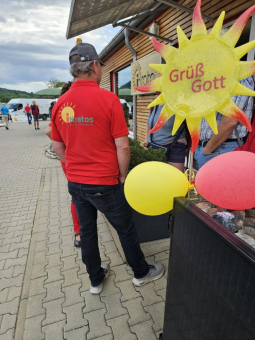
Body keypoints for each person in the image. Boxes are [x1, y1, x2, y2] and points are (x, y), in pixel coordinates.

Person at [51, 42, 164, 294]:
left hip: (76, 183)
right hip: (105, 182)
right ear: (94, 66)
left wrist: (72, 169)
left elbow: (57, 146)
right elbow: (123, 146)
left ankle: (95, 279)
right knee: (125, 228)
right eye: (100, 65)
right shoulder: (108, 99)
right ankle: (140, 273)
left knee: (88, 232)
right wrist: (122, 175)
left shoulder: (61, 103)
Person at [45, 81, 81, 247]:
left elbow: (49, 131)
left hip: (67, 160)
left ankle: (79, 232)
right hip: (75, 159)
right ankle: (80, 230)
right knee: (80, 196)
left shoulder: (62, 108)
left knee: (76, 196)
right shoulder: (74, 107)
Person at [194, 77, 255, 169]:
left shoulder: (238, 79)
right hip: (211, 148)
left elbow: (230, 121)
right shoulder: (219, 78)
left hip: (222, 148)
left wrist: (207, 150)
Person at [144, 104, 187, 172]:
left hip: (174, 147)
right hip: (156, 147)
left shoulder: (178, 103)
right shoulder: (155, 105)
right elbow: (148, 123)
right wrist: (147, 139)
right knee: (157, 177)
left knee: (176, 178)